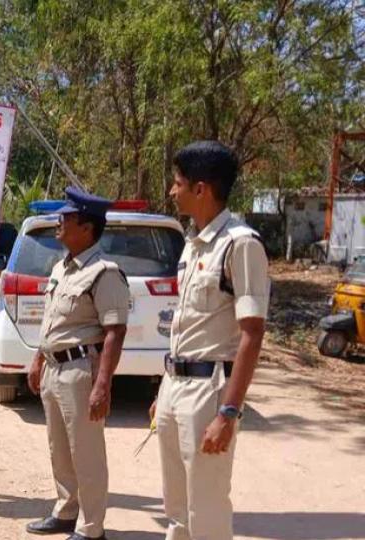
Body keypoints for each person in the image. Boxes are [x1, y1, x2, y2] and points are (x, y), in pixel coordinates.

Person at [151, 141, 269, 540]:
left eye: (177, 182)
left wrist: (229, 412)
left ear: (201, 189)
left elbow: (252, 333)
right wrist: (165, 388)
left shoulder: (241, 244)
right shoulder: (193, 244)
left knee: (207, 509)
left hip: (208, 392)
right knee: (177, 507)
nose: (172, 191)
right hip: (176, 386)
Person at [26, 187, 129, 540]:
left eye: (67, 218)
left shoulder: (104, 272)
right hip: (54, 368)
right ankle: (66, 510)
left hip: (80, 370)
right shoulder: (62, 268)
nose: (60, 222)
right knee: (60, 449)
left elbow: (115, 331)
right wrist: (38, 356)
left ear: (86, 228)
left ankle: (91, 527)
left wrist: (103, 384)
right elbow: (53, 320)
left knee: (86, 454)